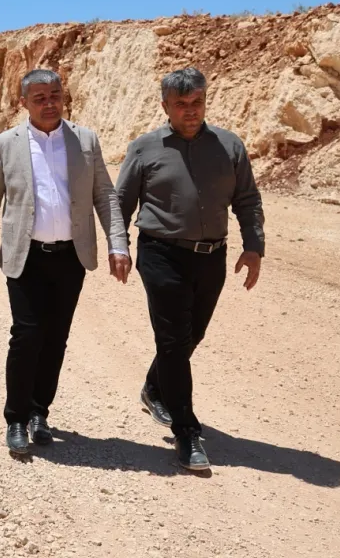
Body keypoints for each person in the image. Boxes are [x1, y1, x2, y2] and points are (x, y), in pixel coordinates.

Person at [0, 69, 131, 456]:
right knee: (26, 335)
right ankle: (15, 418)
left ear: (64, 97)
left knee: (56, 337)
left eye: (55, 95)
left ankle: (39, 412)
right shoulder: (5, 144)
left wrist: (118, 244)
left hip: (70, 257)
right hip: (24, 256)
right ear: (23, 103)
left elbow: (105, 195)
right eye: (39, 98)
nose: (49, 103)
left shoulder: (85, 140)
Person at [116, 67, 264, 471]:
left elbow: (247, 200)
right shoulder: (144, 148)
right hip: (161, 254)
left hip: (212, 257)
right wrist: (119, 246)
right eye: (181, 104)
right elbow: (121, 203)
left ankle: (154, 388)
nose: (191, 110)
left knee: (189, 336)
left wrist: (254, 246)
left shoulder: (229, 146)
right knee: (173, 338)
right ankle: (186, 433)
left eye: (197, 102)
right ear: (165, 106)